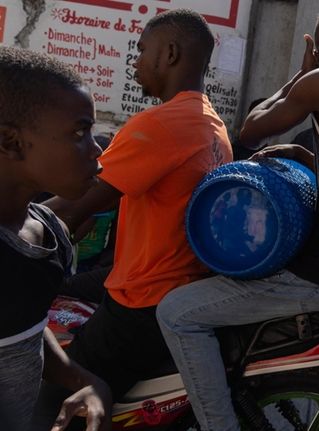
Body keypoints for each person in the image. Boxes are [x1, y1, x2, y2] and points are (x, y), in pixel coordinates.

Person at [154, 2, 319, 429]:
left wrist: (300, 74)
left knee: (176, 313)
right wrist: (302, 153)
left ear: (314, 47)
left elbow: (251, 129)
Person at [44, 9, 233, 399]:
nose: (137, 61)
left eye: (142, 50)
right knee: (69, 293)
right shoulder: (211, 123)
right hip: (180, 286)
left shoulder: (160, 124)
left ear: (170, 53)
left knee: (56, 395)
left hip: (142, 299)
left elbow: (77, 203)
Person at [0, 46, 111, 431]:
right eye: (79, 132)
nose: (96, 148)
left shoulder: (49, 236)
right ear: (12, 142)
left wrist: (84, 380)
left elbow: (23, 328)